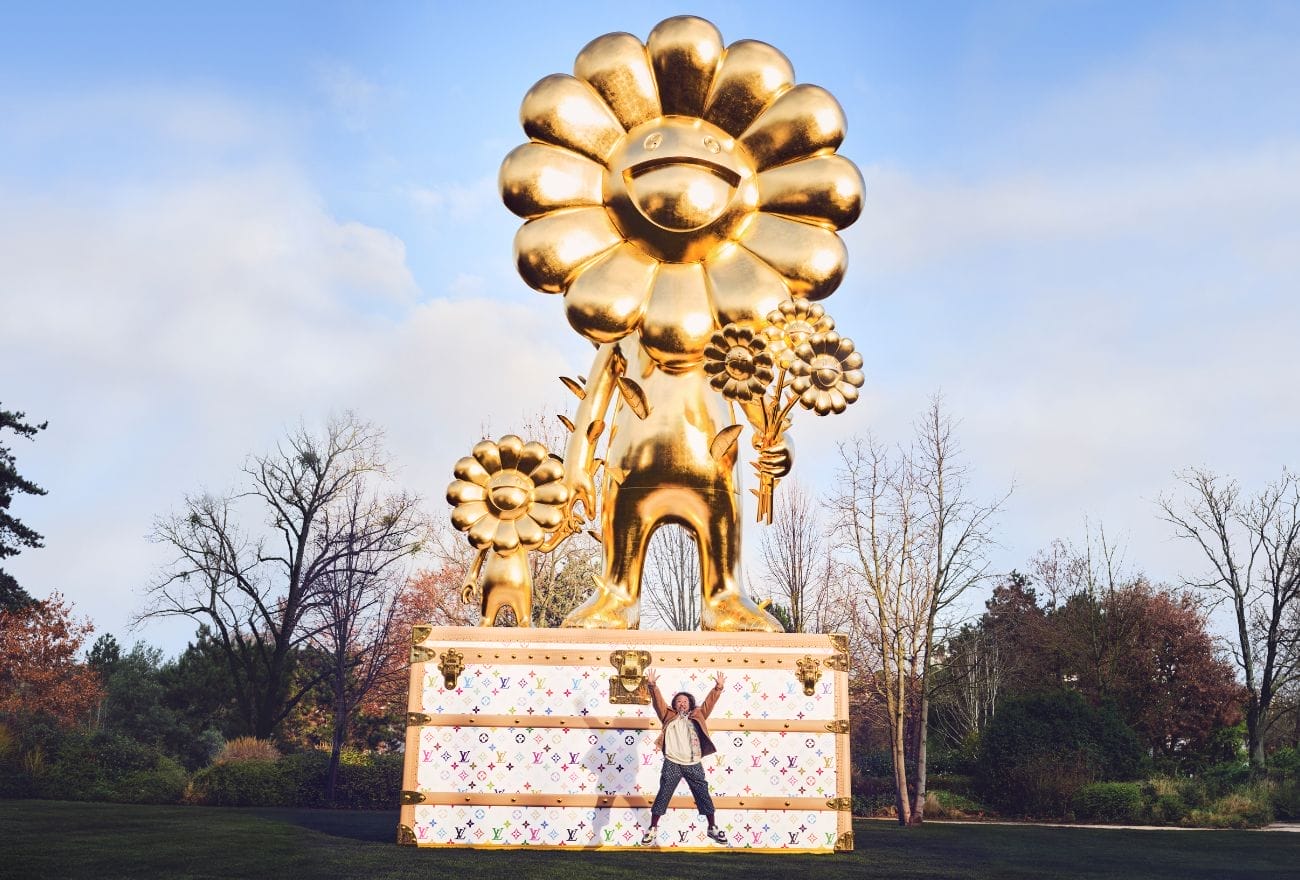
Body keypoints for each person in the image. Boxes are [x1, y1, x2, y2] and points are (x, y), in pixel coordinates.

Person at [641, 669, 728, 845]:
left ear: (690, 704)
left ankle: (712, 827)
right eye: (679, 701)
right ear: (674, 704)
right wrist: (652, 686)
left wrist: (718, 688)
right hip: (672, 761)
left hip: (693, 762)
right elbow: (658, 702)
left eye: (685, 701)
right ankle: (653, 828)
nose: (682, 703)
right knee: (664, 793)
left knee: (703, 793)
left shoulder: (698, 715)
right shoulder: (668, 715)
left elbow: (709, 703)